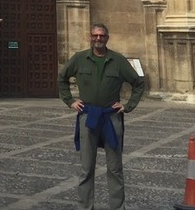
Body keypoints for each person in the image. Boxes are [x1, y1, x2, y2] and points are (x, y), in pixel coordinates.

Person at [58, 23, 145, 210]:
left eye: (102, 35)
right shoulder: (80, 58)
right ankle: (85, 207)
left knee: (115, 168)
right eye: (95, 35)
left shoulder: (118, 60)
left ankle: (117, 207)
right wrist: (70, 101)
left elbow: (138, 83)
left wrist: (128, 106)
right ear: (90, 37)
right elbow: (62, 78)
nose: (98, 38)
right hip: (88, 116)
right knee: (86, 168)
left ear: (107, 37)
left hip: (111, 117)